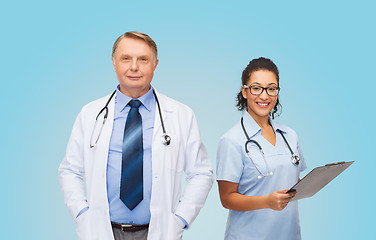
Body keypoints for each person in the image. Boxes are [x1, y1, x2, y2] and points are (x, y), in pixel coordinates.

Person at [59, 31, 214, 240]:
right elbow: (70, 171)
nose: (134, 66)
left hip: (159, 231)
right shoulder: (90, 114)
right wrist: (82, 214)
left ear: (155, 64)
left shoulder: (181, 115)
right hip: (102, 230)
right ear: (114, 62)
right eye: (126, 58)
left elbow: (201, 173)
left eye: (143, 59)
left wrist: (180, 219)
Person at [216, 57, 307, 240]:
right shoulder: (232, 140)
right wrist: (267, 201)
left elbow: (294, 180)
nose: (264, 96)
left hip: (288, 234)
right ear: (244, 91)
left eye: (271, 89)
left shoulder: (290, 136)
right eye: (257, 88)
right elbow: (227, 199)